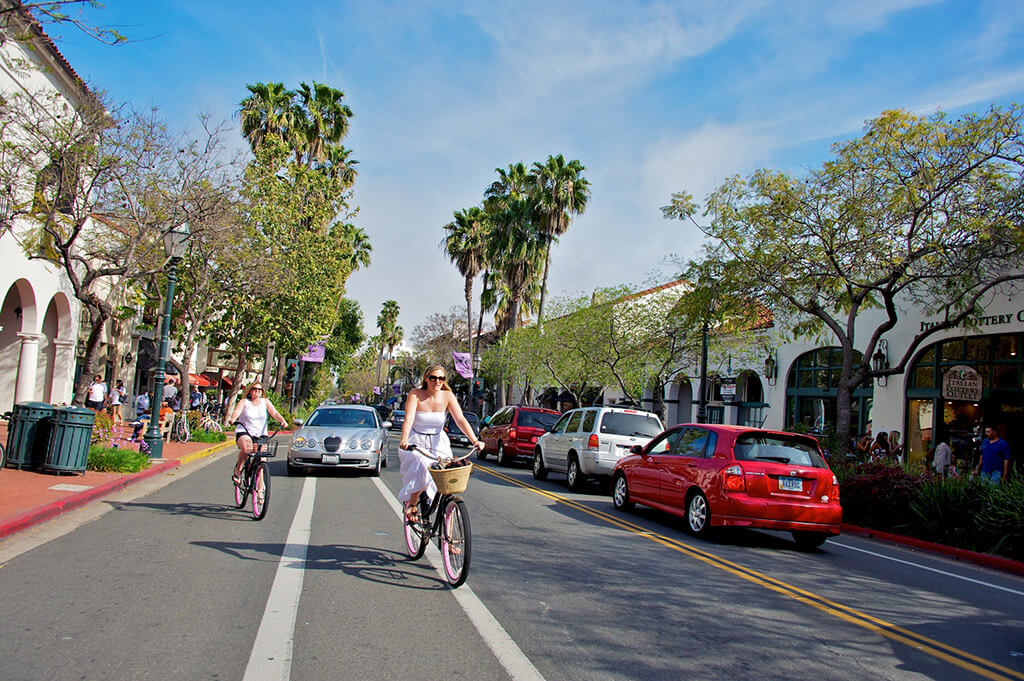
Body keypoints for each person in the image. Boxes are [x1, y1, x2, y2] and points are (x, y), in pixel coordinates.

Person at [397, 365, 484, 521]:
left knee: (447, 477)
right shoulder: (415, 394)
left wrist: (475, 440)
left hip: (439, 441)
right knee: (422, 465)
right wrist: (404, 439)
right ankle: (413, 502)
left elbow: (460, 420)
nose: (437, 382)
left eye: (441, 378)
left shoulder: (448, 396)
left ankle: (449, 540)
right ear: (426, 378)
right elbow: (409, 419)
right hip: (416, 440)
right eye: (433, 378)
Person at [228, 381, 288, 484]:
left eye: (260, 390)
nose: (257, 391)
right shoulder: (244, 402)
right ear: (250, 391)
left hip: (260, 434)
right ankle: (238, 470)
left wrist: (282, 421)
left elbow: (274, 413)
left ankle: (260, 490)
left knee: (262, 459)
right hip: (245, 431)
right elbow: (237, 411)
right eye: (255, 389)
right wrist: (233, 418)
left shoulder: (265, 402)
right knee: (247, 449)